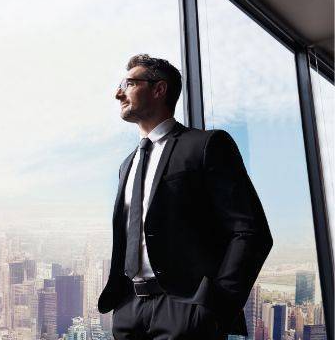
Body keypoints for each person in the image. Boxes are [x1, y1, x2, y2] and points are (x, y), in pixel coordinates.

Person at [98, 54, 273, 339]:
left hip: (185, 308)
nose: (118, 93)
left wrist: (215, 305)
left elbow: (251, 231)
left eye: (128, 83)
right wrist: (122, 304)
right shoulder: (126, 165)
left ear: (159, 89)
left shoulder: (206, 146)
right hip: (129, 309)